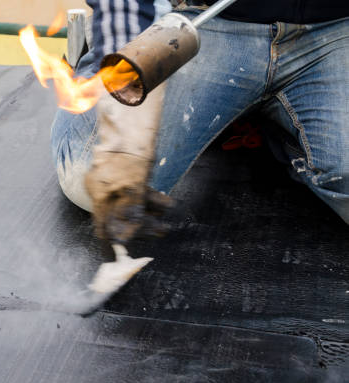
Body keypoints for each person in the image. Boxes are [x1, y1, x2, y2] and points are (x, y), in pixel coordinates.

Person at [50, 0, 349, 243]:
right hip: (205, 19)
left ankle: (270, 117)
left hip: (335, 29)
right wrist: (124, 136)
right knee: (96, 182)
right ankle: (106, 59)